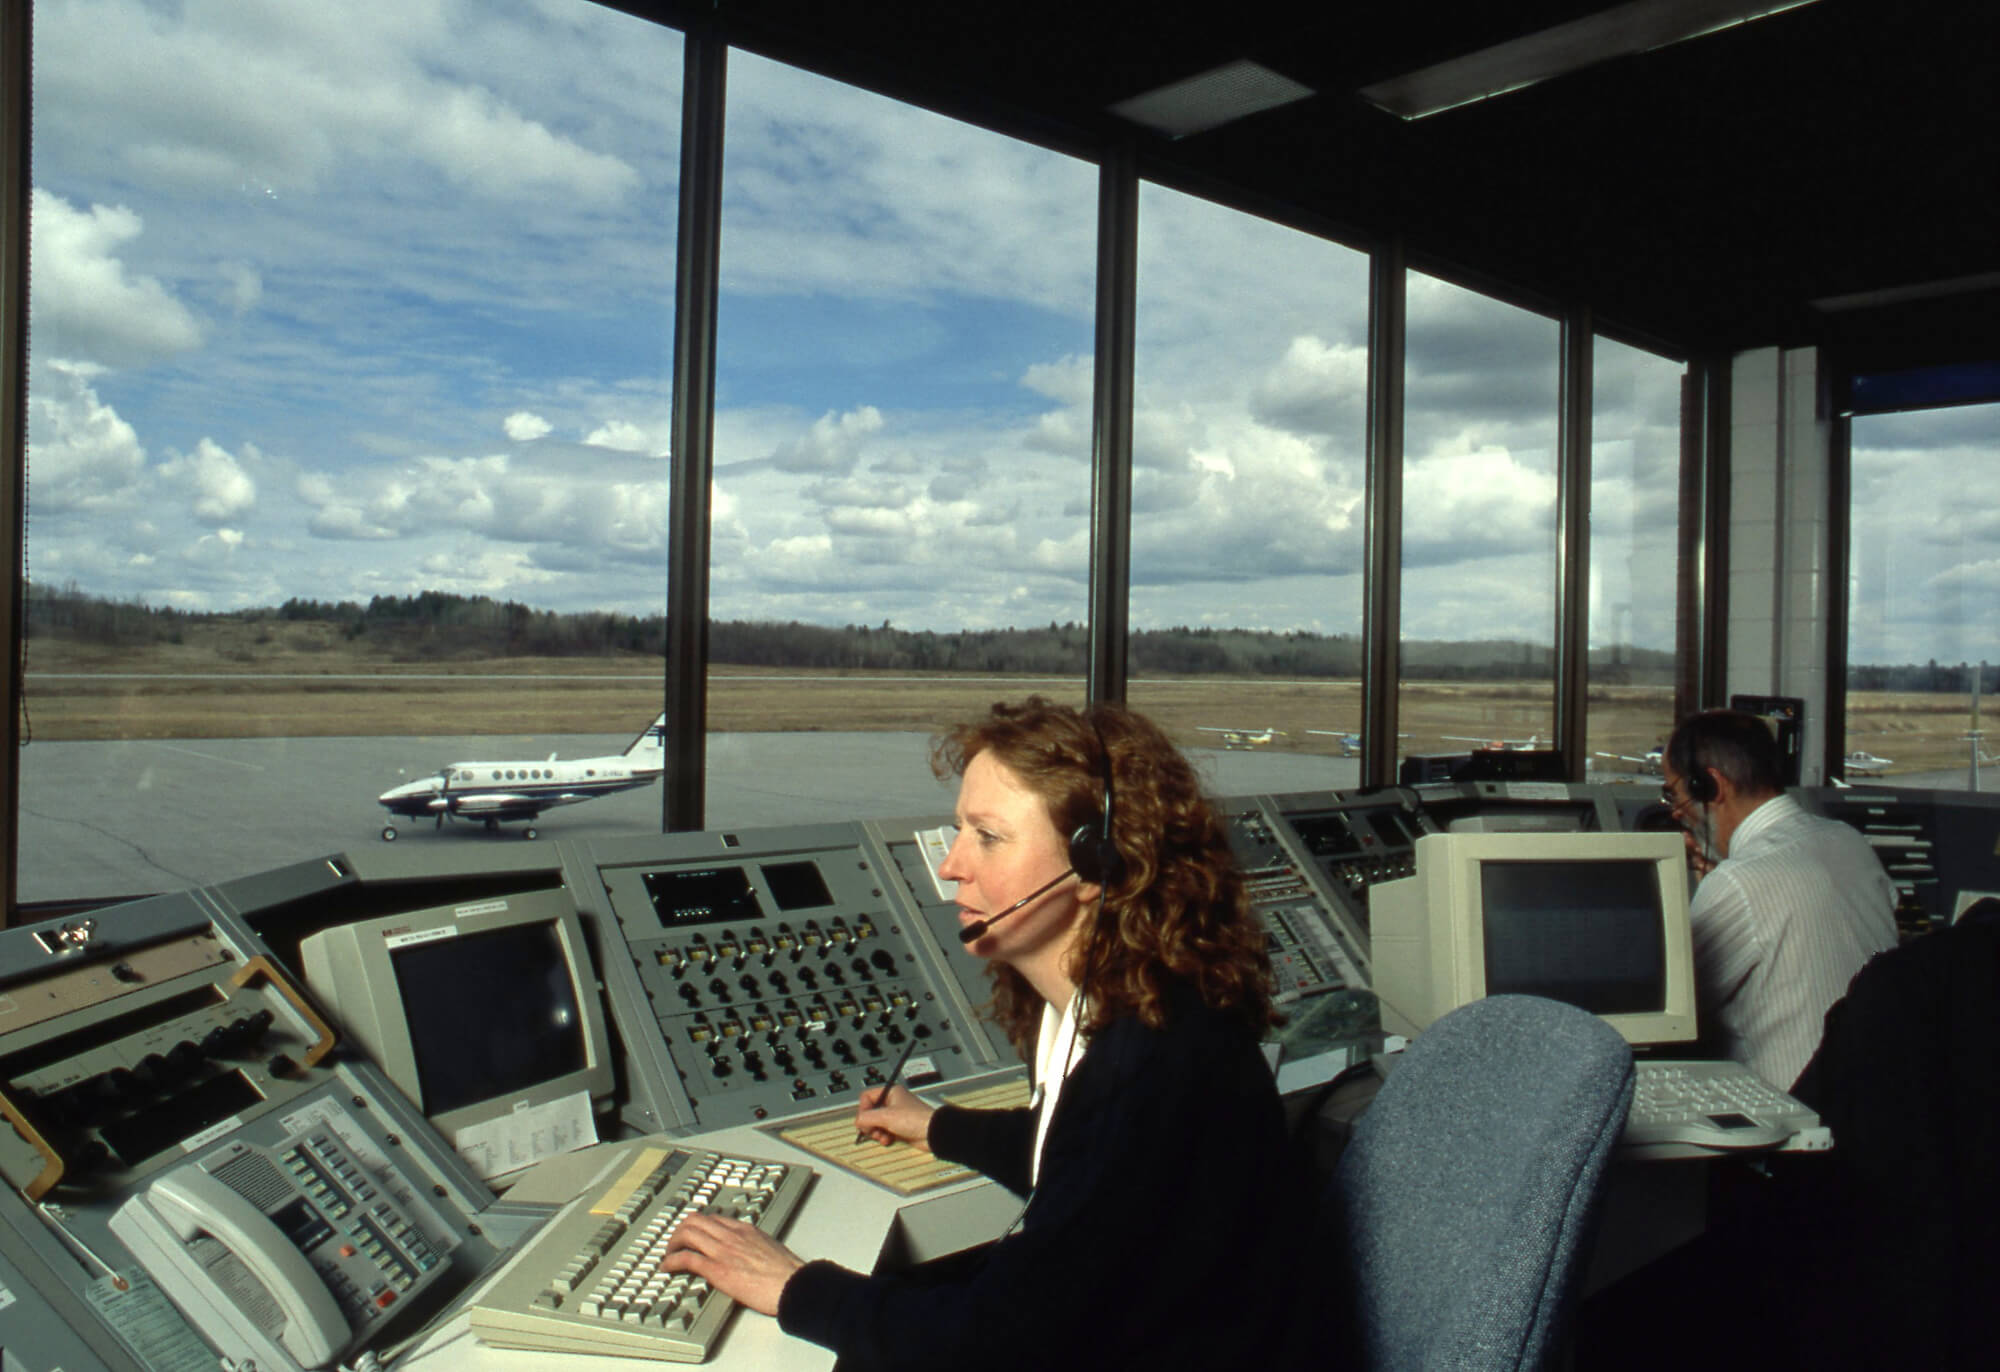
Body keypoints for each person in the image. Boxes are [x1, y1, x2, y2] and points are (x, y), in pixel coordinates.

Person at [661, 696, 1312, 1370]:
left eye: (988, 836)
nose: (951, 867)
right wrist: (937, 1127)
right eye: (959, 832)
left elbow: (993, 1338)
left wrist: (793, 1286)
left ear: (1096, 865)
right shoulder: (1126, 1013)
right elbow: (1071, 1151)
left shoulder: (1150, 1069)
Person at [1659, 708, 1897, 1089]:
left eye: (1677, 795)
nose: (1678, 813)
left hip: (1790, 1113)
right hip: (1869, 1101)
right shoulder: (1848, 841)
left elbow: (1672, 1014)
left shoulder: (1739, 882)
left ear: (1712, 787)